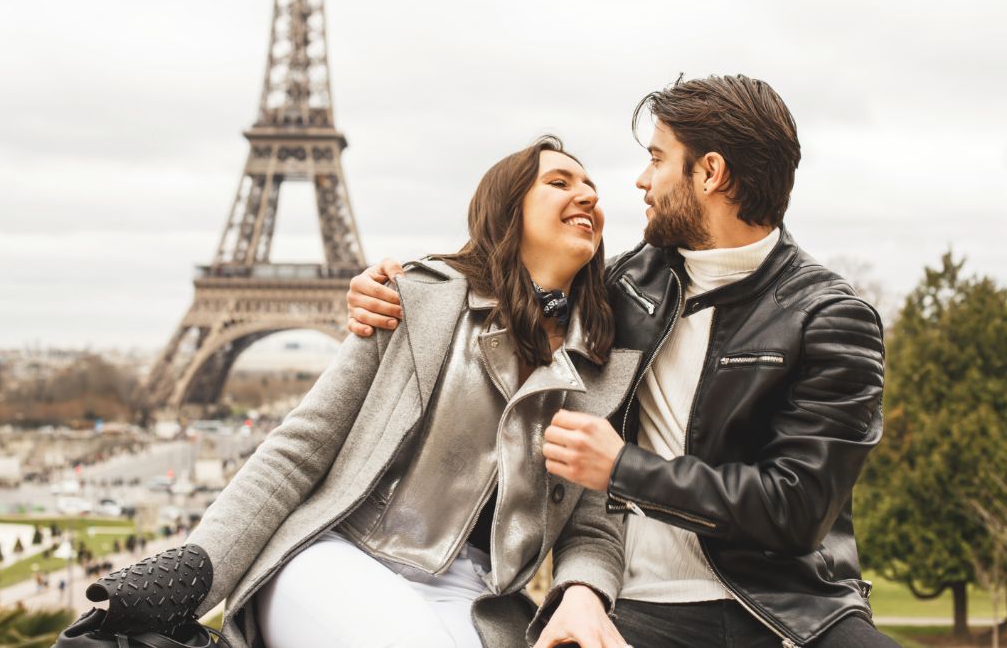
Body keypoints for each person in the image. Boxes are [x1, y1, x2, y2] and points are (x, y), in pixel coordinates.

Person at [346, 75, 899, 648]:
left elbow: (796, 509)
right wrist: (401, 292)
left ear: (709, 173)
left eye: (657, 159)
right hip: (633, 606)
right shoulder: (623, 288)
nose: (641, 179)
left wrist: (624, 468)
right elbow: (510, 292)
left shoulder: (833, 317)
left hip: (788, 609)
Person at [149, 137, 638, 648]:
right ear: (506, 209)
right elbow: (298, 451)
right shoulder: (416, 300)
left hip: (475, 598)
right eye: (559, 183)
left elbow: (592, 526)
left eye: (592, 189)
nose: (586, 197)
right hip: (341, 555)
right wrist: (188, 573)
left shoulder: (603, 367)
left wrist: (583, 590)